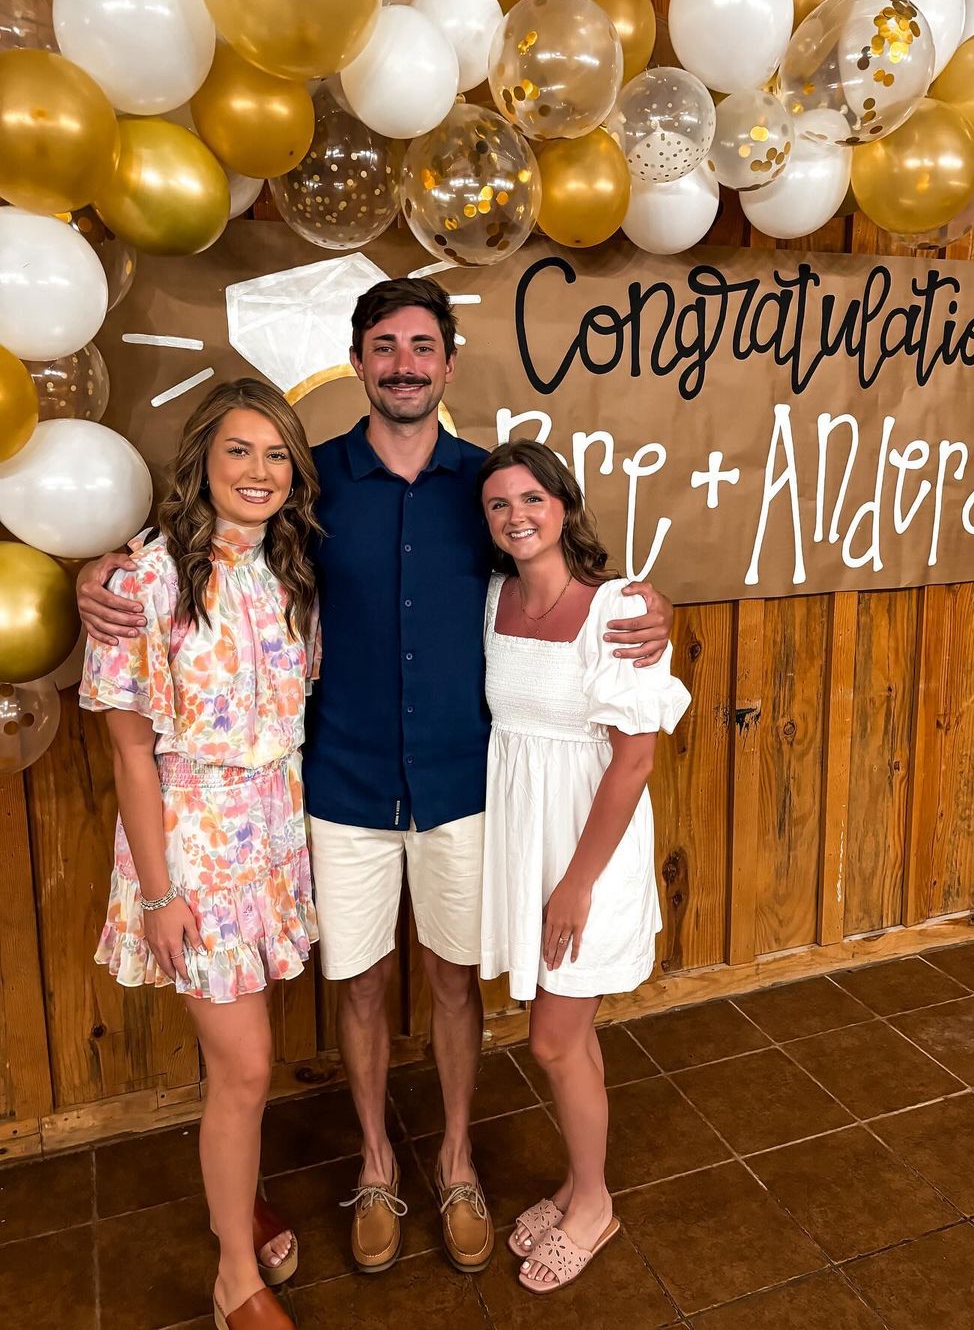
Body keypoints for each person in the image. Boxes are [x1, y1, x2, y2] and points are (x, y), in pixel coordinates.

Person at [76, 277, 674, 1280]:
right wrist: (96, 571)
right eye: (384, 347)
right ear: (356, 361)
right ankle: (377, 1163)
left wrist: (651, 608)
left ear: (448, 362)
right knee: (358, 983)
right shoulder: (309, 480)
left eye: (422, 346)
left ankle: (456, 1162)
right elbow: (196, 544)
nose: (404, 364)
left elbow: (566, 576)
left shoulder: (488, 488)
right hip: (341, 786)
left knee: (451, 981)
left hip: (459, 785)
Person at [79, 379, 321, 1330]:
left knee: (240, 1064)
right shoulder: (144, 583)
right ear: (201, 462)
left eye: (277, 454)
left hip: (274, 839)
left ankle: (240, 1199)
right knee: (250, 1066)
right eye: (239, 451)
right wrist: (158, 892)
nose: (259, 471)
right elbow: (131, 754)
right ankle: (234, 1279)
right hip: (194, 849)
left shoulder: (289, 572)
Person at [478, 439, 689, 1295]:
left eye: (533, 498)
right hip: (525, 839)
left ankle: (594, 1205)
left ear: (563, 505)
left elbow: (633, 761)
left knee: (553, 1039)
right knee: (572, 1034)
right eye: (499, 504)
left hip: (588, 850)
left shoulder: (620, 609)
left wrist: (576, 883)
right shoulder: (492, 598)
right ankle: (577, 1180)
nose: (517, 516)